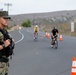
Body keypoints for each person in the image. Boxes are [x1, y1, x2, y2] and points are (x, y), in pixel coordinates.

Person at [0, 11, 15, 75]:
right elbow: (5, 44)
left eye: (7, 19)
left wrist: (11, 41)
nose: (6, 20)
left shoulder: (5, 31)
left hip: (4, 64)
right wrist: (4, 45)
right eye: (4, 18)